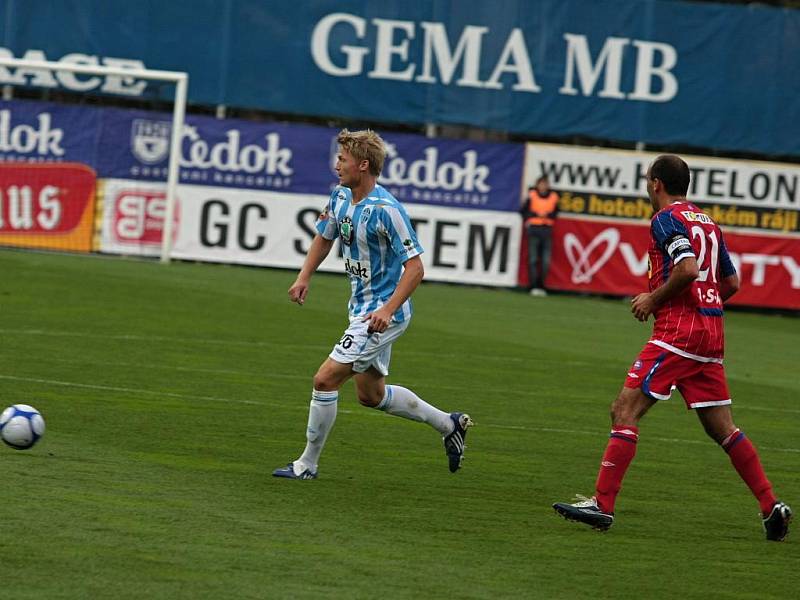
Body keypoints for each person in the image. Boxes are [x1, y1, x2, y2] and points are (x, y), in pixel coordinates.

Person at [553, 155, 792, 541]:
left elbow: (686, 269)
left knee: (624, 410)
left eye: (648, 181)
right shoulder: (708, 223)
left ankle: (602, 505)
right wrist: (704, 306)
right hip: (711, 335)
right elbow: (730, 284)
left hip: (678, 333)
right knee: (723, 429)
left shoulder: (666, 219)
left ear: (656, 184)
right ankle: (770, 506)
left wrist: (653, 299)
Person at [273, 128, 473, 480]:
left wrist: (387, 310)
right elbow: (324, 236)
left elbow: (416, 268)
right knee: (371, 395)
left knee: (324, 380)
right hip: (361, 308)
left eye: (343, 160)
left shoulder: (387, 211)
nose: (337, 165)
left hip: (380, 315)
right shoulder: (339, 196)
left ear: (363, 165)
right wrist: (304, 276)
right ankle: (448, 424)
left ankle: (307, 464)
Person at [521, 175, 559, 296]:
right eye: (541, 184)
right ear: (537, 185)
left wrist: (546, 215)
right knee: (533, 259)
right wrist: (534, 215)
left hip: (546, 230)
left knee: (545, 260)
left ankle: (541, 285)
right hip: (534, 229)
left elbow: (556, 213)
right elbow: (523, 211)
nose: (543, 186)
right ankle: (532, 286)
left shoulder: (553, 197)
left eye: (545, 184)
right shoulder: (532, 195)